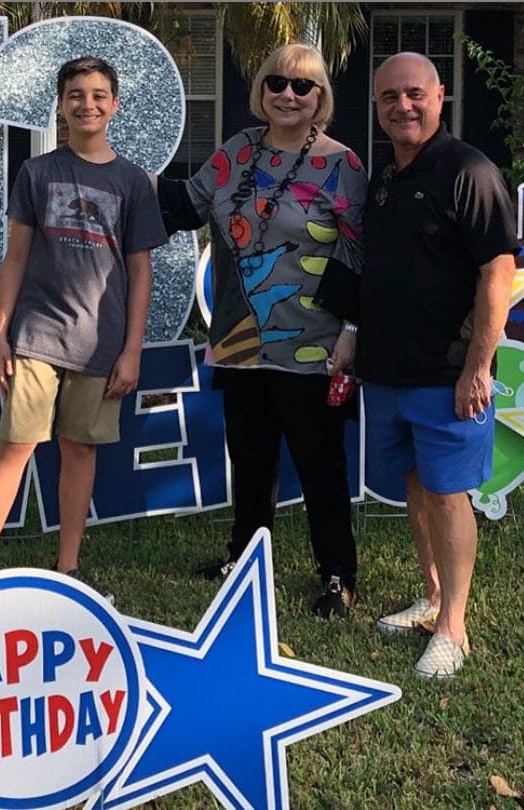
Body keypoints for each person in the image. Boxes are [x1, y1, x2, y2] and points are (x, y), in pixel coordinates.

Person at [155, 43, 366, 617]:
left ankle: (337, 574)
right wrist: (112, 171)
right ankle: (244, 560)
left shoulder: (342, 164)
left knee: (320, 465)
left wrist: (351, 329)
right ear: (261, 90)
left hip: (313, 345)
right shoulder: (237, 152)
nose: (288, 95)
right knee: (249, 462)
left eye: (303, 86)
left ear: (321, 96)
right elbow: (185, 205)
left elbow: (359, 254)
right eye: (277, 83)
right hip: (239, 340)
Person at [0, 57, 167, 585]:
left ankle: (69, 567)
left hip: (100, 343)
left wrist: (132, 350)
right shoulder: (37, 173)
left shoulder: (133, 183)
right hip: (37, 335)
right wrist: (1, 333)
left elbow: (140, 270)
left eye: (99, 95)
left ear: (114, 105)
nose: (87, 104)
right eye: (76, 94)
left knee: (79, 448)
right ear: (60, 104)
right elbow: (15, 257)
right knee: (16, 444)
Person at [355, 52, 519, 677]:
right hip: (388, 368)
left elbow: (497, 271)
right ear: (377, 105)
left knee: (449, 495)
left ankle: (454, 627)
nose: (403, 106)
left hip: (448, 372)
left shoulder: (469, 171)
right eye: (390, 96)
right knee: (417, 487)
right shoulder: (384, 178)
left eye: (415, 94)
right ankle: (431, 598)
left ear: (440, 96)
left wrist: (479, 366)